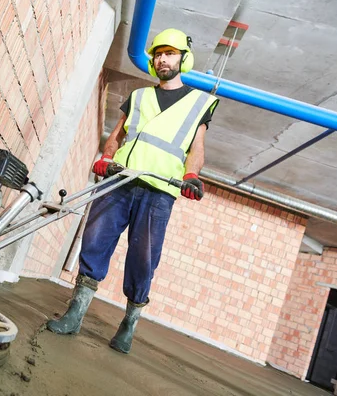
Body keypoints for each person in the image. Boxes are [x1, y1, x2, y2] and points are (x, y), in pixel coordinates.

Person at [46, 28, 219, 354]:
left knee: (144, 259)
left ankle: (129, 323)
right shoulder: (138, 96)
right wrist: (106, 157)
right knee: (95, 241)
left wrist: (192, 174)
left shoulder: (200, 103)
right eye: (158, 53)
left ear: (184, 58)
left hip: (159, 190)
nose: (162, 58)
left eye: (170, 53)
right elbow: (117, 135)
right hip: (120, 181)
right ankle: (75, 313)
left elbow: (197, 146)